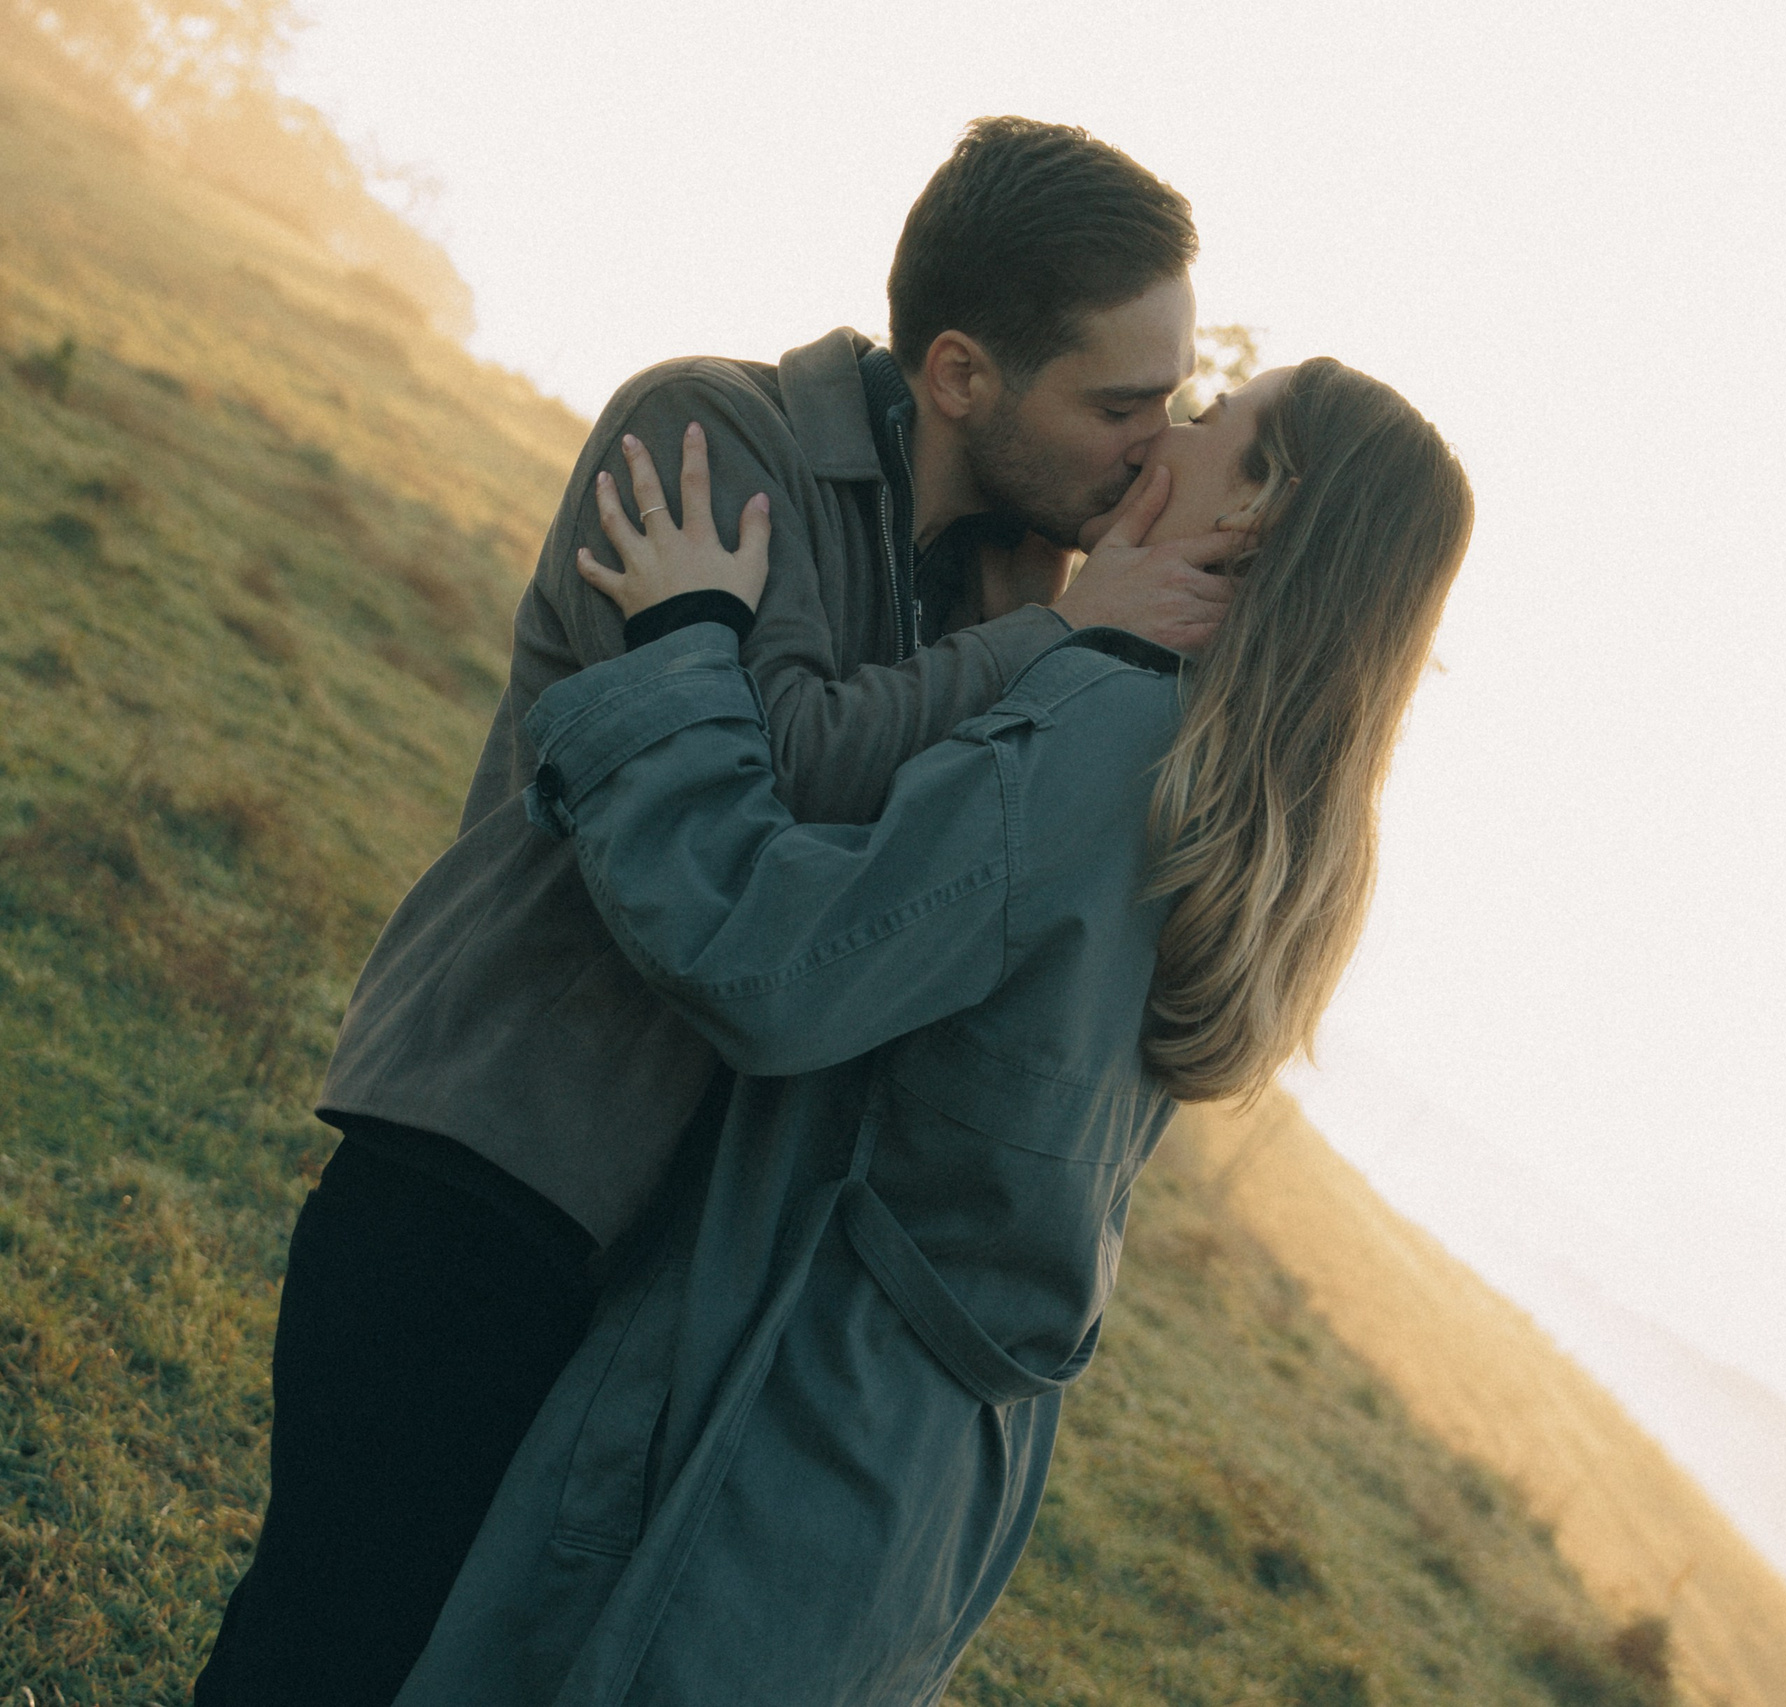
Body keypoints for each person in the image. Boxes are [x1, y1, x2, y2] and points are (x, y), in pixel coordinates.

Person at [194, 118, 1240, 1707]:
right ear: (959, 372)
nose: (1147, 445)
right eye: (1120, 403)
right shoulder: (706, 437)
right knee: (331, 1648)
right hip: (490, 1167)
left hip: (662, 1263)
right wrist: (1057, 644)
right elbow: (776, 775)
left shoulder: (989, 578)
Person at [390, 355, 1472, 1705]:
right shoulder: (1237, 809)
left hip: (780, 1415)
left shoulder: (1119, 733)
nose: (1167, 439)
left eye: (1213, 425)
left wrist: (682, 651)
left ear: (1257, 514)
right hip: (925, 1485)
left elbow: (770, 958)